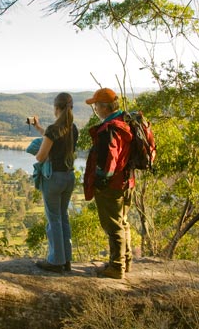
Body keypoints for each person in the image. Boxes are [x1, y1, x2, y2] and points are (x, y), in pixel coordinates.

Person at [83, 88, 134, 279]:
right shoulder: (124, 122)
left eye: (96, 105)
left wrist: (100, 179)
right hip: (127, 181)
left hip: (112, 185)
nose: (95, 108)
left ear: (104, 107)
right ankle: (125, 261)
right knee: (122, 222)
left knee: (113, 226)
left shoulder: (109, 129)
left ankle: (116, 267)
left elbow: (109, 158)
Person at [29, 92, 79, 273]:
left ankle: (55, 261)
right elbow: (53, 137)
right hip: (69, 177)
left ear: (56, 108)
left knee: (54, 219)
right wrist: (39, 128)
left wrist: (37, 151)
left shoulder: (54, 129)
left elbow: (41, 156)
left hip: (54, 179)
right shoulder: (72, 128)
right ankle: (66, 260)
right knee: (63, 217)